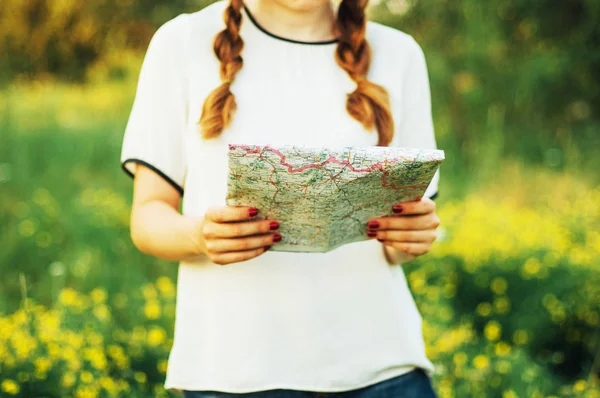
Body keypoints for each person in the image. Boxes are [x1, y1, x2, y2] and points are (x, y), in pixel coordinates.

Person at [119, 0, 441, 396]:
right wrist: (201, 235)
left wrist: (412, 238)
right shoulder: (182, 41)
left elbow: (406, 234)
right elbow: (148, 217)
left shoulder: (399, 52)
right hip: (233, 374)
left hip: (383, 371)